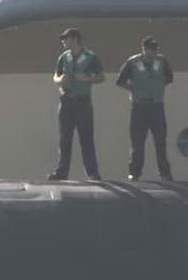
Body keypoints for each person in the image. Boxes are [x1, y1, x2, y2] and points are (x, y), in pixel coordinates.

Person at [48, 27, 104, 181]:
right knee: (65, 138)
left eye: (65, 39)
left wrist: (87, 79)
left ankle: (92, 172)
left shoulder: (90, 57)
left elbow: (101, 77)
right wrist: (59, 80)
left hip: (82, 102)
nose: (63, 42)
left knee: (86, 138)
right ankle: (62, 171)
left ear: (75, 39)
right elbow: (56, 76)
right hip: (66, 101)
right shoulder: (64, 57)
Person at [117, 36, 174, 181]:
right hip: (139, 107)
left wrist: (157, 88)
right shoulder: (133, 62)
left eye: (155, 49)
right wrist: (134, 90)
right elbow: (120, 80)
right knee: (137, 142)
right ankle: (134, 173)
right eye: (150, 49)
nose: (153, 52)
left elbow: (168, 78)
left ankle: (164, 173)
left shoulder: (162, 61)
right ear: (143, 49)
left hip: (157, 106)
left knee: (160, 141)